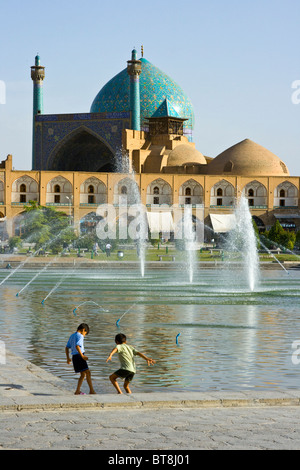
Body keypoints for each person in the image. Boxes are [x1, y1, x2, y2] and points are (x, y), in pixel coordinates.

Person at [65, 323, 96, 395]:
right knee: (88, 372)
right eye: (85, 333)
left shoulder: (72, 335)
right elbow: (77, 346)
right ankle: (91, 390)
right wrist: (82, 356)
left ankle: (77, 390)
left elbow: (67, 347)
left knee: (83, 374)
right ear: (83, 330)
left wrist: (68, 358)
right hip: (79, 356)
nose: (84, 335)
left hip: (74, 357)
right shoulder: (80, 336)